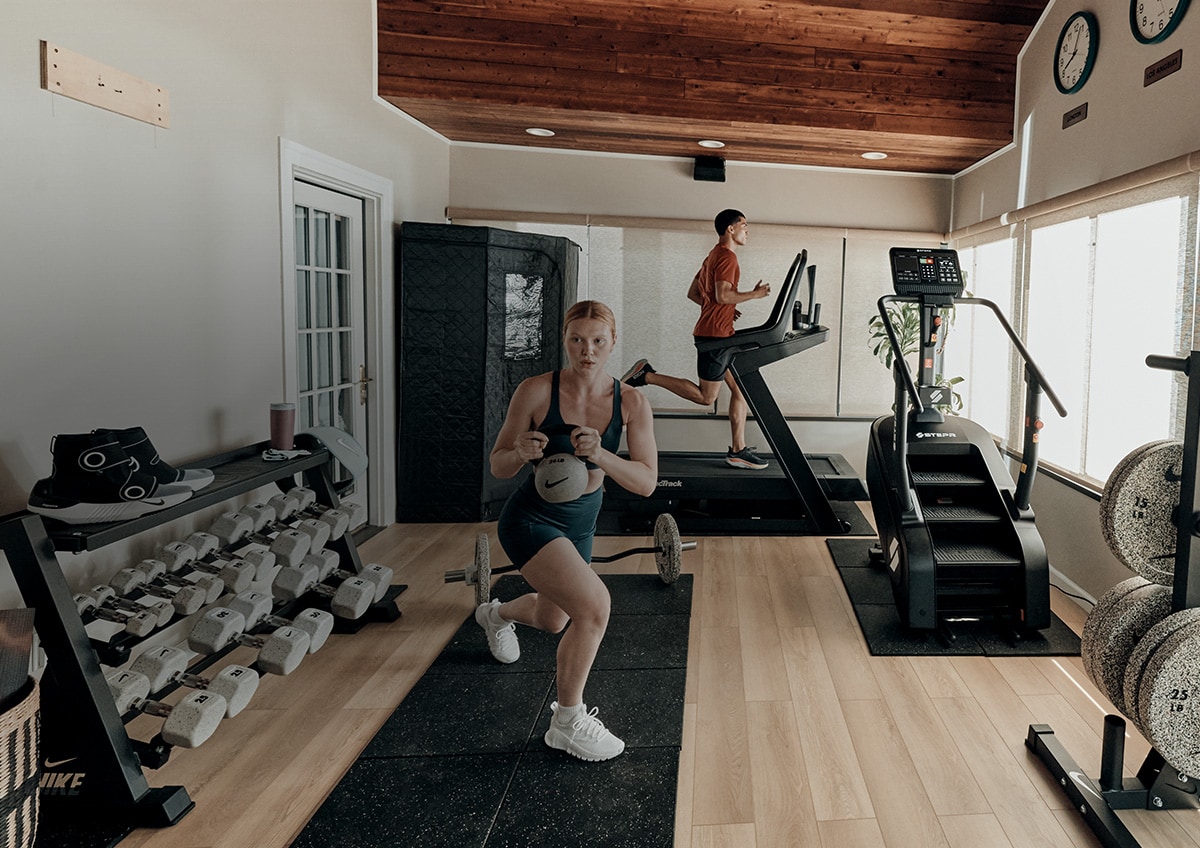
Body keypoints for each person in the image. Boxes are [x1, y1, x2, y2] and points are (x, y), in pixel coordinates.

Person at [479, 299, 658, 762]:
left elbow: (645, 483)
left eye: (598, 341)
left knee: (554, 618)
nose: (587, 351)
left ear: (613, 343)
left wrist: (600, 455)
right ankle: (567, 721)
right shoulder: (536, 391)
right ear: (565, 340)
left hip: (581, 523)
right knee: (595, 607)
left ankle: (495, 615)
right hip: (529, 519)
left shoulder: (632, 403)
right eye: (577, 340)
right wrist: (518, 450)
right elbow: (498, 466)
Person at [619, 209, 772, 469]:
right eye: (744, 225)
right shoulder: (727, 258)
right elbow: (723, 295)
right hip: (714, 337)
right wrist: (753, 295)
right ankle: (646, 375)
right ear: (730, 229)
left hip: (719, 333)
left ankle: (738, 450)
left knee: (741, 389)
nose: (748, 230)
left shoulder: (712, 255)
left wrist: (723, 309)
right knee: (706, 398)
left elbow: (695, 293)